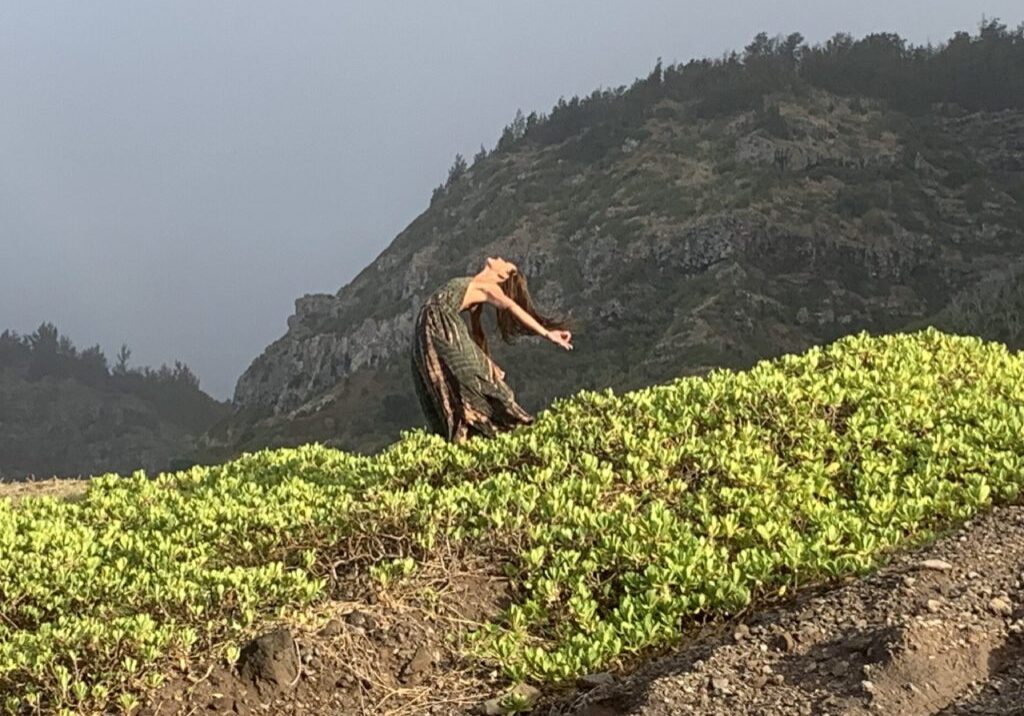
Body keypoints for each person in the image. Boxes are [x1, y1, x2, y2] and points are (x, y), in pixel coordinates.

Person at [411, 256, 573, 443]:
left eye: (505, 263)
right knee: (437, 381)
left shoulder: (490, 288)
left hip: (439, 324)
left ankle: (487, 425)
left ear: (503, 274)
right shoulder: (475, 285)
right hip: (426, 326)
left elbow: (513, 307)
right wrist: (486, 362)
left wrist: (547, 334)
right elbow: (476, 334)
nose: (499, 258)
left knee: (453, 382)